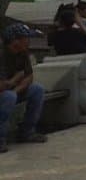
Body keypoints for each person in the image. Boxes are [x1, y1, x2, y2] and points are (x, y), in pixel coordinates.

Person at [0, 24, 49, 152]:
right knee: (9, 97)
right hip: (3, 92)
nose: (29, 41)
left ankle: (27, 132)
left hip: (12, 90)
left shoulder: (22, 52)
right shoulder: (2, 53)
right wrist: (14, 80)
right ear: (15, 41)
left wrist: (15, 88)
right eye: (26, 38)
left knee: (37, 89)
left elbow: (29, 76)